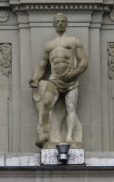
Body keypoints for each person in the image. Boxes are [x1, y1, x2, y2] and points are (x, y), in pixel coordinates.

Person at [29, 14, 88, 147]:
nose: (60, 23)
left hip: (71, 80)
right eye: (57, 21)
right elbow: (42, 65)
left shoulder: (74, 41)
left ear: (66, 23)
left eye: (63, 21)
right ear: (54, 24)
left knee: (71, 107)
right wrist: (36, 78)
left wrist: (74, 73)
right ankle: (44, 135)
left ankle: (69, 137)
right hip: (55, 79)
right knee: (46, 105)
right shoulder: (49, 45)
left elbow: (84, 62)